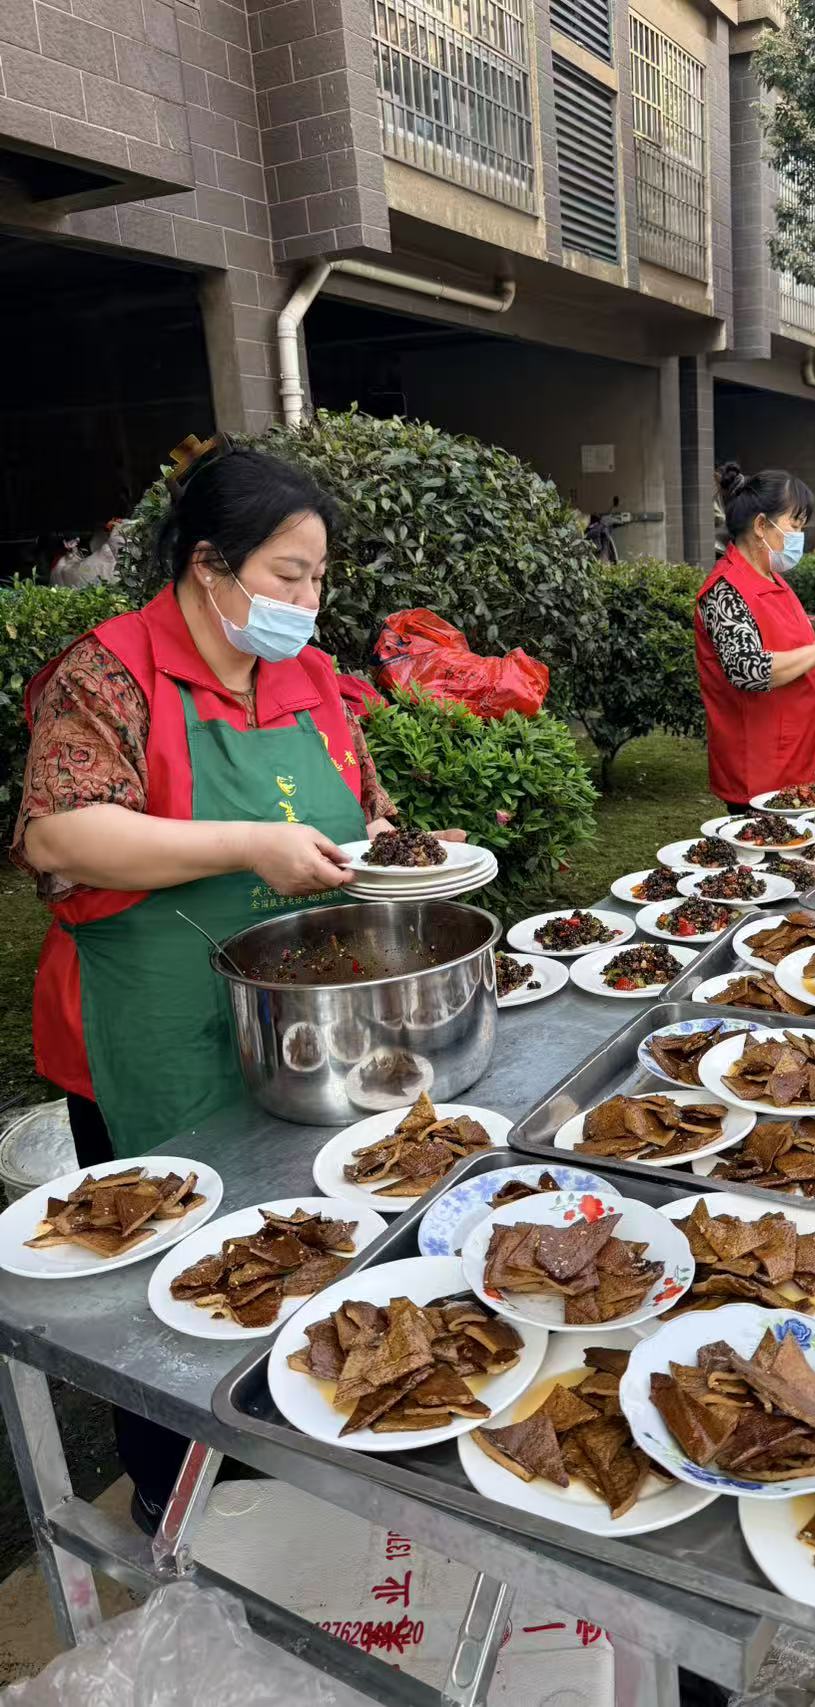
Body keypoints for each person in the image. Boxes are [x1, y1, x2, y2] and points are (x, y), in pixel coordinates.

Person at [10, 436, 448, 1529]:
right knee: (165, 1280)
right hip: (157, 1031)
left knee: (300, 1247)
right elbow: (62, 836)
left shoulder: (310, 678)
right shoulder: (107, 673)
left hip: (310, 1019)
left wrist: (403, 847)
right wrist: (245, 841)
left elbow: (363, 811)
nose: (307, 600)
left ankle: (288, 1456)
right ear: (208, 564)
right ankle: (175, 1494)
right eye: (286, 576)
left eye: (318, 578)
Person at [694, 465, 815, 810]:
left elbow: (794, 655)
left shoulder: (773, 579)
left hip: (800, 755)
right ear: (761, 525)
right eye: (794, 525)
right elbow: (750, 670)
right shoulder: (725, 590)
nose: (799, 535)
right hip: (760, 766)